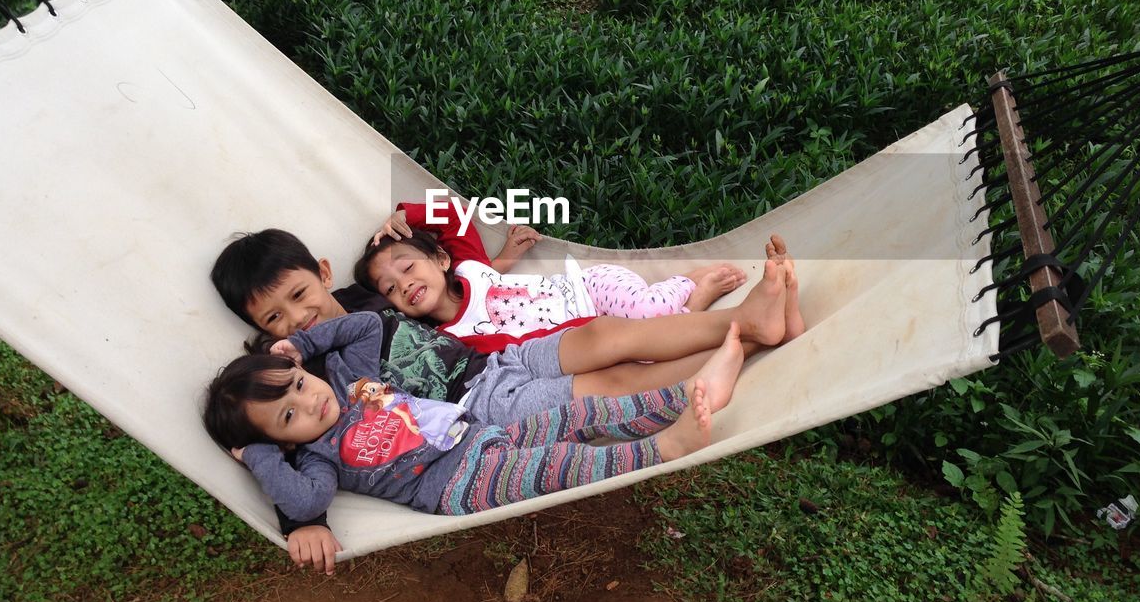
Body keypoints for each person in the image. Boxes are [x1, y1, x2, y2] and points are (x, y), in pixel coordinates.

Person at [211, 228, 802, 569]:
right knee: (611, 384)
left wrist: (404, 219)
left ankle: (748, 317)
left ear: (322, 270)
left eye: (298, 293)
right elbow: (282, 434)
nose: (299, 316)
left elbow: (436, 262)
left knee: (604, 336)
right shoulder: (297, 374)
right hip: (483, 411)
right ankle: (746, 342)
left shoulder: (367, 294)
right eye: (275, 317)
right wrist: (298, 519)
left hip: (496, 360)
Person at [203, 311, 748, 526]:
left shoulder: (353, 387)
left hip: (482, 433)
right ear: (282, 443)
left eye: (299, 384)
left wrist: (299, 344)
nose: (310, 401)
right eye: (289, 416)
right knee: (566, 460)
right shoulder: (317, 458)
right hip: (460, 483)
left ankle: (690, 392)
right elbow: (304, 502)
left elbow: (368, 325)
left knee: (585, 414)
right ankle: (666, 447)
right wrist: (260, 454)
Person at [356, 201, 747, 354]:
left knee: (649, 315)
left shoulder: (469, 268)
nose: (404, 284)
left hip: (590, 289)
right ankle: (687, 307)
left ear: (440, 258)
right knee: (644, 357)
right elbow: (523, 345)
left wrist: (402, 218)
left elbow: (454, 215)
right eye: (390, 287)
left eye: (407, 268)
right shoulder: (451, 341)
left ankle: (691, 284)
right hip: (588, 333)